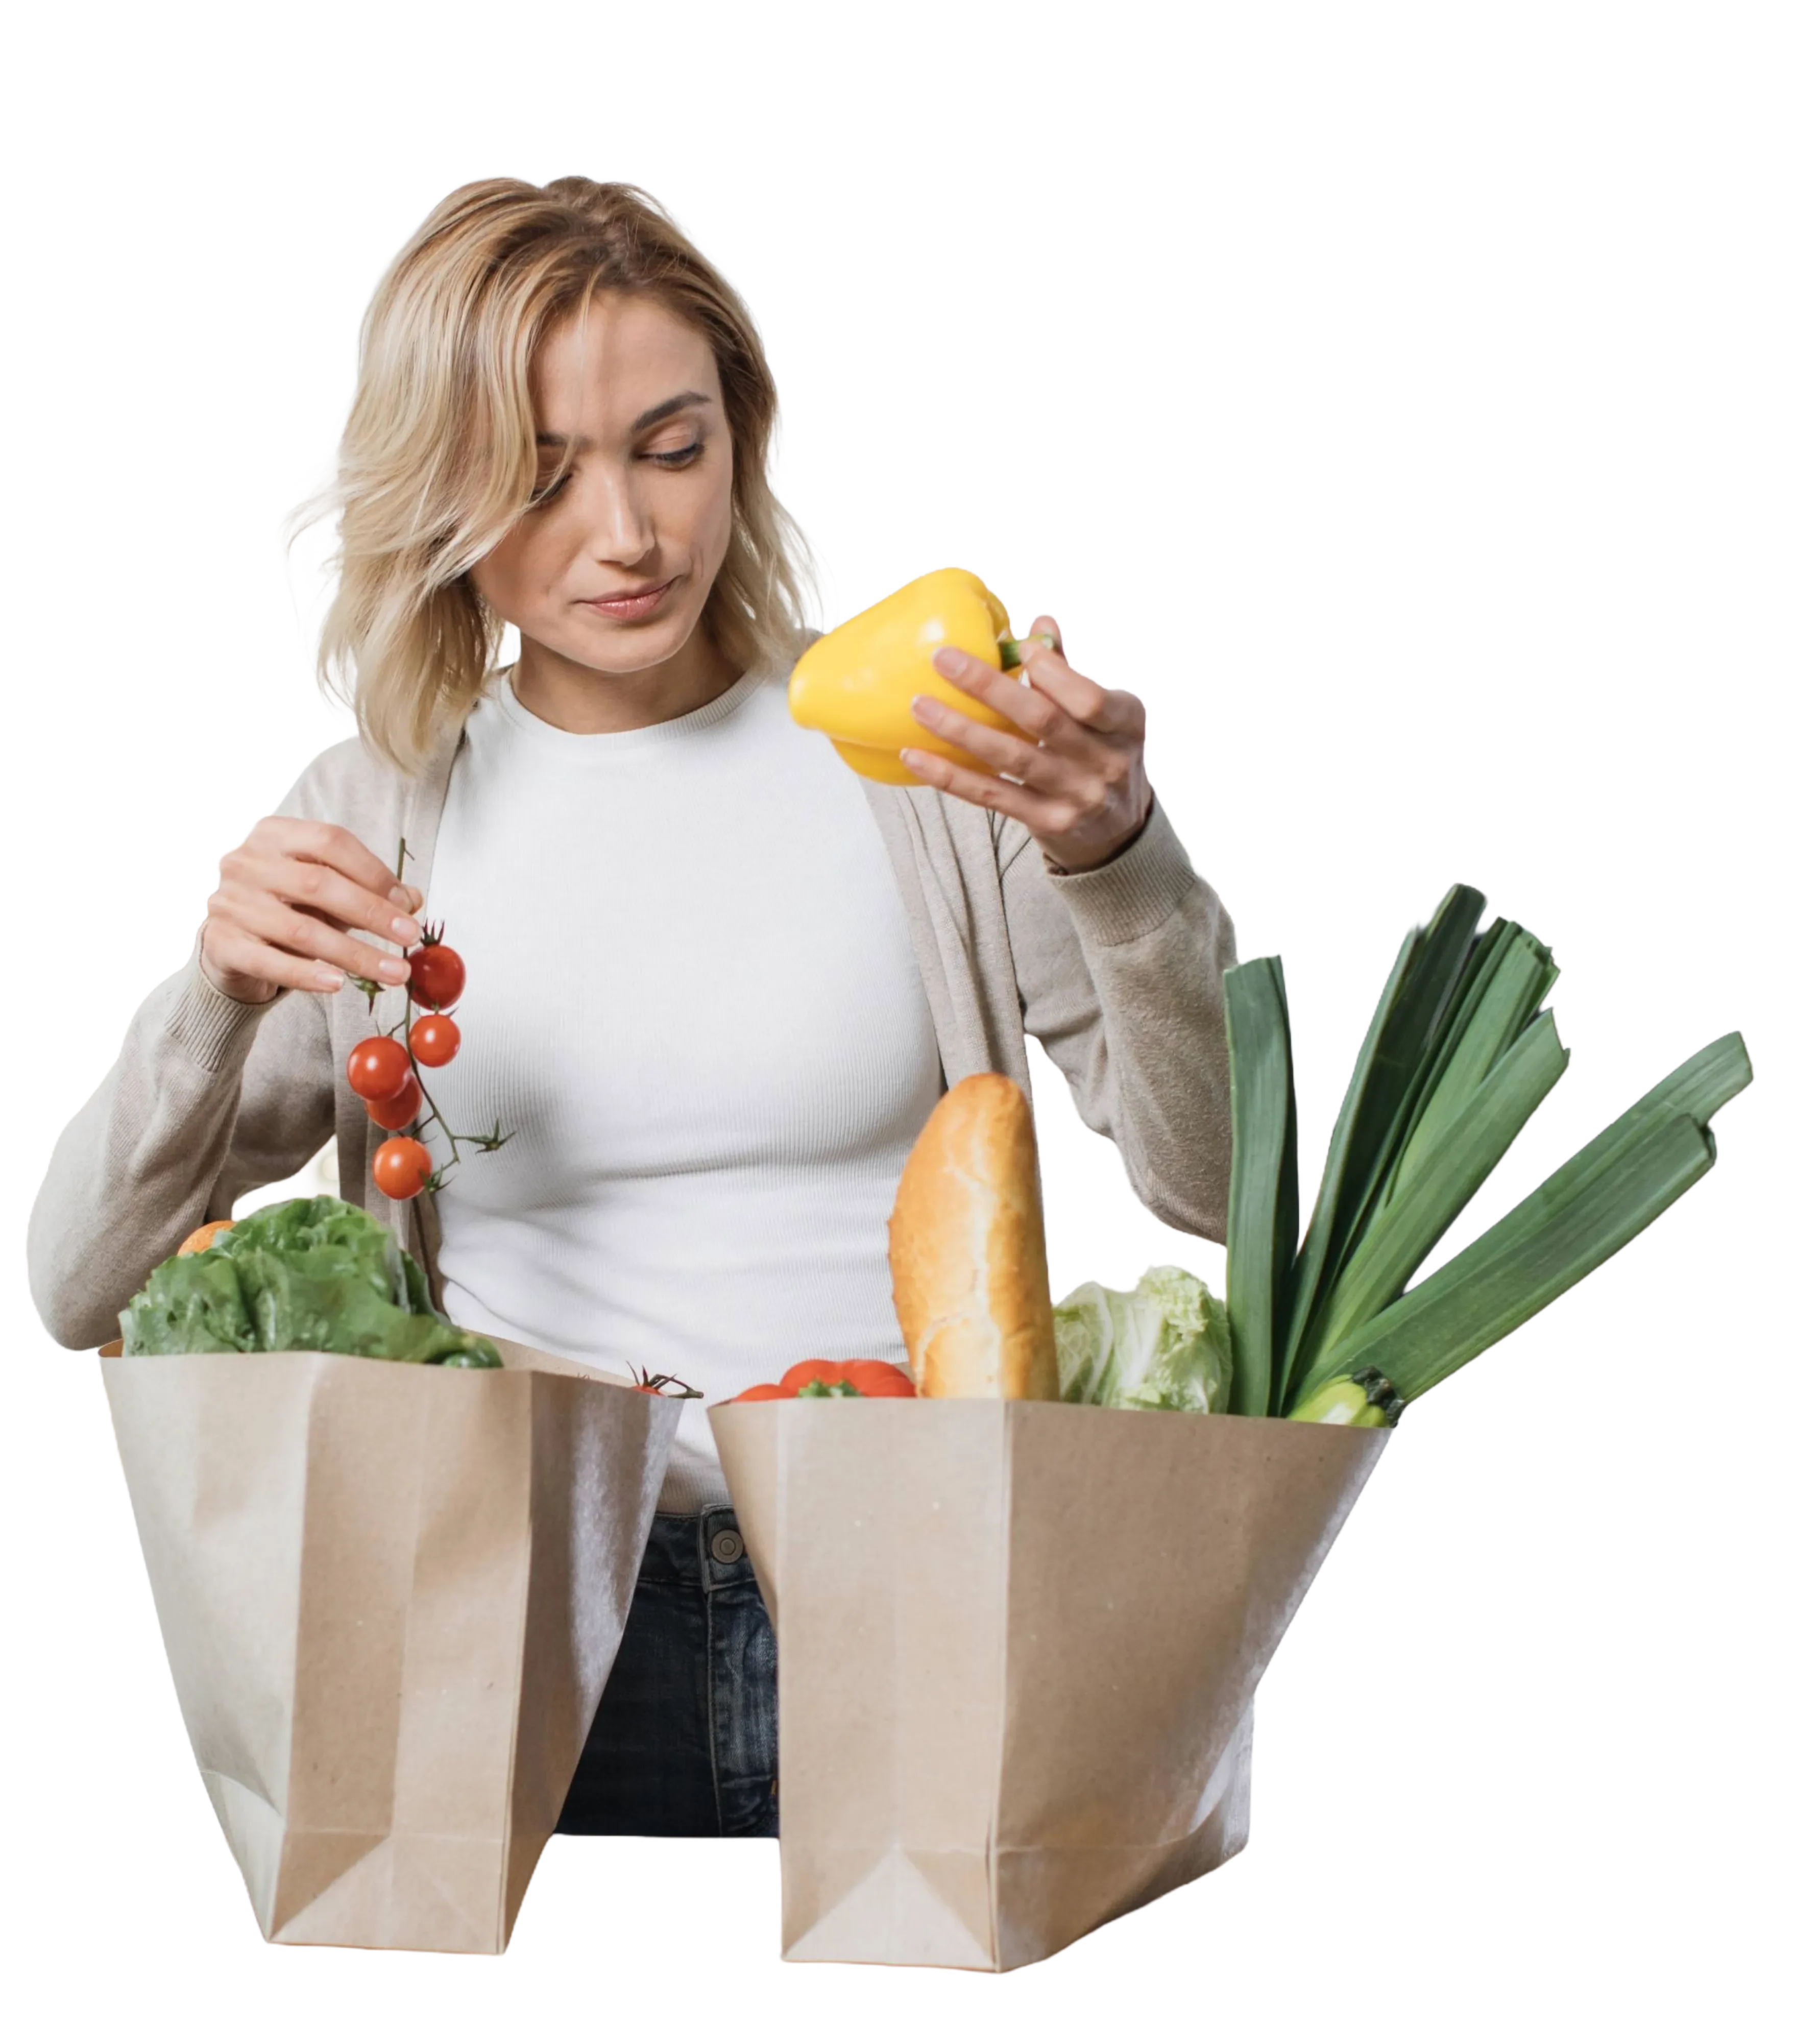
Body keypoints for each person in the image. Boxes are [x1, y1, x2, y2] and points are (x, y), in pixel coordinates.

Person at [26, 175, 1241, 1842]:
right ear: (439, 494)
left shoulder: (928, 770)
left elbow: (1219, 1190)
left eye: (671, 449)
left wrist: (1120, 862)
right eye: (538, 479)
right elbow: (74, 1286)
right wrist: (215, 996)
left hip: (913, 1568)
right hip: (506, 1605)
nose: (626, 534)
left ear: (744, 433)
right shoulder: (376, 813)